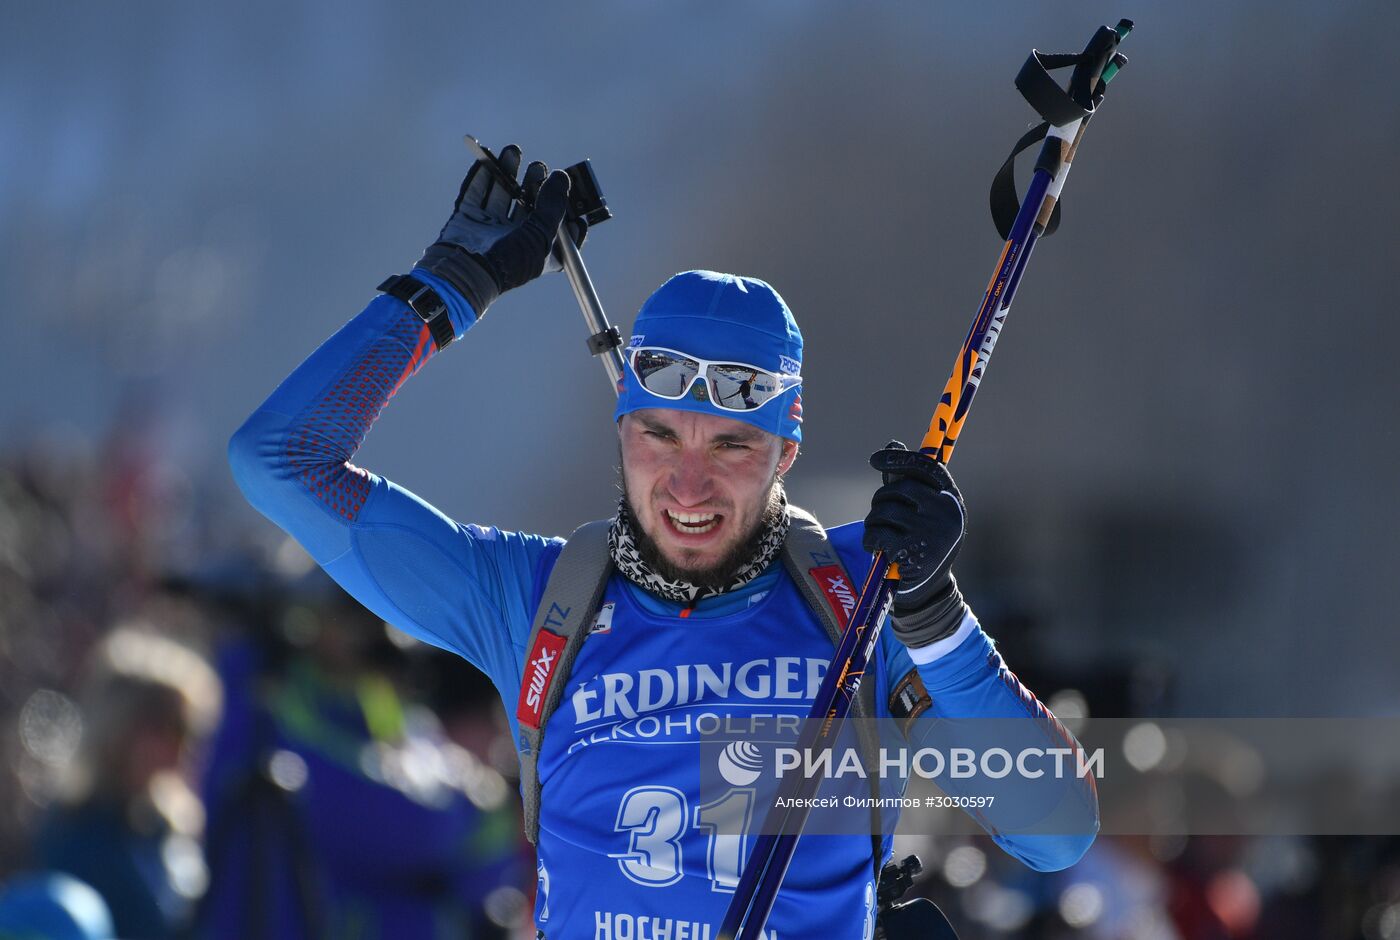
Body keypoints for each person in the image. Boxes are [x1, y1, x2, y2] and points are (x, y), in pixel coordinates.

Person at [230, 144, 1098, 938]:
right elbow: (276, 460)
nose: (688, 487)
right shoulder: (535, 599)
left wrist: (933, 612)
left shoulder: (867, 593)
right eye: (659, 436)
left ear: (785, 453)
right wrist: (452, 284)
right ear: (619, 432)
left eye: (731, 445)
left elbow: (1054, 834)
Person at [33, 628, 220, 940]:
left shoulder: (166, 829)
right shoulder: (78, 835)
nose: (187, 745)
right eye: (174, 727)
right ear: (124, 726)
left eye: (194, 730)